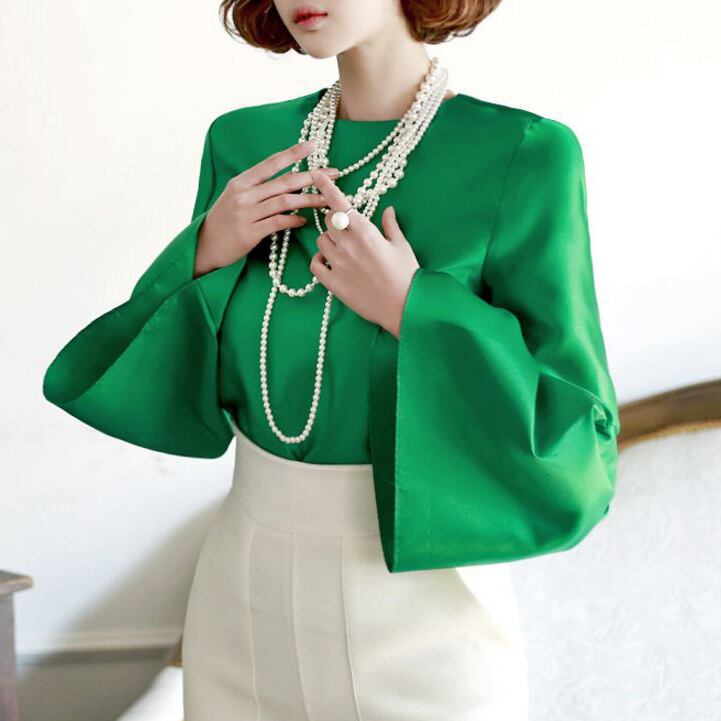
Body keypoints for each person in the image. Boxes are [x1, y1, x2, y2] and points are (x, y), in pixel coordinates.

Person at [42, 0, 621, 718]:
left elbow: (580, 441)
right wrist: (203, 255)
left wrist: (415, 309)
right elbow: (165, 382)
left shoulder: (525, 154)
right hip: (241, 598)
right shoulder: (244, 143)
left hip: (421, 606)